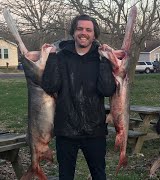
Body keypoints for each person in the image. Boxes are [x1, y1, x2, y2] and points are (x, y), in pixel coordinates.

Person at [41, 14, 116, 180]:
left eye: (88, 30)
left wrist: (104, 61)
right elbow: (50, 86)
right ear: (73, 32)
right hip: (66, 131)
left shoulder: (100, 57)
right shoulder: (60, 57)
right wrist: (51, 57)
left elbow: (107, 90)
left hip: (95, 130)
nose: (84, 32)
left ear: (94, 34)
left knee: (99, 175)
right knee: (65, 176)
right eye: (80, 29)